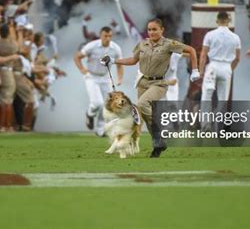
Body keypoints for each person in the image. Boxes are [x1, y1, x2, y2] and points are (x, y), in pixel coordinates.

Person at [103, 18, 200, 157]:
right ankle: (158, 145)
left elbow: (191, 50)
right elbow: (132, 60)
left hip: (158, 83)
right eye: (149, 29)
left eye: (154, 29)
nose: (151, 32)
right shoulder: (143, 44)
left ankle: (159, 136)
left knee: (142, 104)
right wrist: (112, 61)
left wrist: (195, 70)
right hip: (142, 82)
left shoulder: (169, 44)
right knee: (145, 114)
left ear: (162, 30)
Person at [74, 26, 123, 137]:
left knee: (107, 105)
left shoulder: (115, 48)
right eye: (105, 36)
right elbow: (77, 57)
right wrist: (82, 69)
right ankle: (89, 114)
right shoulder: (92, 46)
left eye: (110, 36)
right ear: (101, 35)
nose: (108, 38)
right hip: (91, 77)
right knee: (97, 103)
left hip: (106, 78)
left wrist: (120, 78)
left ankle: (100, 130)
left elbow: (119, 64)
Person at [199, 11, 241, 131]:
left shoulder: (210, 35)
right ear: (229, 21)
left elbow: (203, 55)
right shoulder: (235, 37)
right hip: (227, 67)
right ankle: (219, 127)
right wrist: (230, 70)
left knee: (206, 96)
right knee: (222, 99)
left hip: (213, 66)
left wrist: (201, 71)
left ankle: (205, 125)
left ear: (217, 21)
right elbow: (237, 58)